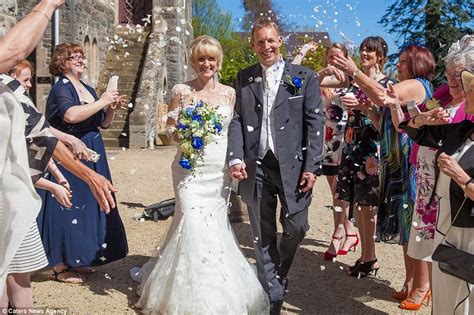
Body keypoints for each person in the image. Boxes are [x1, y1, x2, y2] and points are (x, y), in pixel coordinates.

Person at [134, 35, 269, 314]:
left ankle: (218, 292)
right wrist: (182, 132)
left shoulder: (229, 93)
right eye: (200, 59)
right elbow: (168, 132)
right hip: (189, 169)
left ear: (218, 61)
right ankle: (185, 295)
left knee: (214, 225)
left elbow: (235, 132)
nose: (205, 64)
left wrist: (237, 161)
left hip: (219, 170)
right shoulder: (181, 91)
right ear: (193, 62)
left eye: (211, 58)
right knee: (192, 220)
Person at [0, 0, 118, 307]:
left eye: (26, 81)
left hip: (23, 192)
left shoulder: (13, 92)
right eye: (22, 80)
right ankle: (60, 263)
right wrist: (50, 3)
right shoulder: (60, 87)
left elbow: (41, 133)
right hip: (19, 184)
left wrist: (89, 173)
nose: (25, 87)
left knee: (18, 272)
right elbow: (64, 121)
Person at [227, 18, 324, 314]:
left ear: (280, 41)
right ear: (253, 44)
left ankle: (278, 273)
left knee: (297, 226)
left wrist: (312, 166)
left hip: (293, 167)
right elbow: (236, 120)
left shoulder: (304, 77)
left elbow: (314, 121)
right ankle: (273, 298)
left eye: (270, 40)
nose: (266, 46)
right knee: (262, 234)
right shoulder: (244, 78)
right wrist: (235, 156)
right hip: (256, 167)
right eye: (260, 41)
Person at [331, 43, 435, 309]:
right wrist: (367, 111)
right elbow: (386, 124)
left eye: (402, 61)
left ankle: (424, 287)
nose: (397, 65)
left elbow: (380, 93)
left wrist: (355, 72)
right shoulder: (404, 87)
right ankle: (411, 281)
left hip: (411, 165)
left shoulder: (417, 84)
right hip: (395, 163)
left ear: (416, 63)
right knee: (404, 225)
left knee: (414, 225)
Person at [39, 42, 128, 283]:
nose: (80, 60)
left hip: (93, 149)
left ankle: (78, 258)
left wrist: (110, 108)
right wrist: (102, 101)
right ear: (62, 63)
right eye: (73, 57)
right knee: (66, 206)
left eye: (81, 56)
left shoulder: (87, 87)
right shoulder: (61, 88)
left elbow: (103, 123)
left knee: (88, 205)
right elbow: (70, 115)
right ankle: (59, 266)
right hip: (71, 150)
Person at [399, 68, 474, 314]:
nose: (466, 93)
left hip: (470, 234)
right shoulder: (461, 130)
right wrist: (422, 119)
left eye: (471, 89)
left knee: (467, 301)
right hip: (447, 226)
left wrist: (460, 177)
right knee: (443, 299)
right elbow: (414, 131)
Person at [328, 36, 394, 278]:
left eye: (370, 51)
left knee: (369, 205)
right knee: (358, 204)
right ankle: (367, 256)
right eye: (363, 49)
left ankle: (370, 256)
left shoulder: (386, 83)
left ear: (380, 57)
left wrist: (365, 108)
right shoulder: (354, 82)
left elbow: (383, 126)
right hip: (351, 144)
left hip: (371, 149)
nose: (365, 53)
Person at [292, 42, 359, 261]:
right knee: (336, 191)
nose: (334, 60)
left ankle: (340, 233)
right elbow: (296, 80)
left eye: (338, 56)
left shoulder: (351, 79)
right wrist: (319, 66)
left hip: (346, 140)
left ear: (347, 58)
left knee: (340, 191)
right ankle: (348, 230)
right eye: (330, 56)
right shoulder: (322, 80)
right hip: (327, 143)